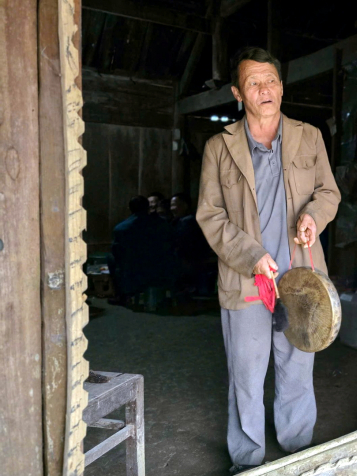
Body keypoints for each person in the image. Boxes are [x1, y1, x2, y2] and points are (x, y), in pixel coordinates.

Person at [196, 46, 340, 474]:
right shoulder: (219, 147)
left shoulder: (309, 136)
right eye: (254, 83)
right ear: (238, 93)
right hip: (247, 281)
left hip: (300, 279)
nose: (265, 90)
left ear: (281, 87)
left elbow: (329, 193)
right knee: (246, 375)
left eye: (271, 81)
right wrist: (252, 256)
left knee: (297, 369)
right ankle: (248, 460)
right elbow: (210, 214)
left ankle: (298, 450)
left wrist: (313, 217)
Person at [109, 195, 174, 301]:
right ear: (148, 207)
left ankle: (120, 294)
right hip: (160, 266)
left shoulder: (121, 228)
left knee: (111, 258)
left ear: (129, 208)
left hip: (133, 269)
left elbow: (117, 252)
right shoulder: (162, 224)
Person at [170, 193, 212, 294]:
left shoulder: (187, 222)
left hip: (189, 264)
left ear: (185, 205)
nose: (172, 208)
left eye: (175, 205)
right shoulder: (185, 221)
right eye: (171, 205)